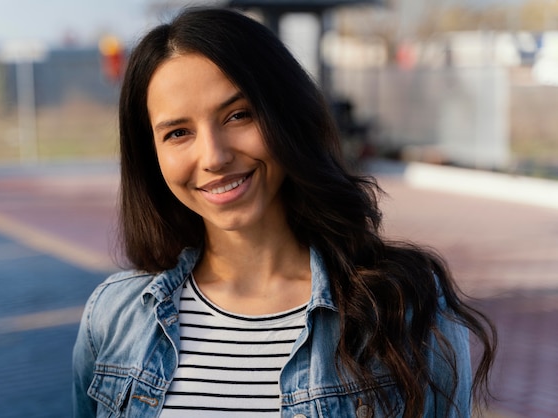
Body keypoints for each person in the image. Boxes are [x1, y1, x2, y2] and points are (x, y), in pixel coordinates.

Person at [72, 7, 496, 418]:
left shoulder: (403, 311)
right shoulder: (114, 318)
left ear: (287, 117)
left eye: (238, 115)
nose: (214, 156)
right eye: (178, 132)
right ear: (152, 156)